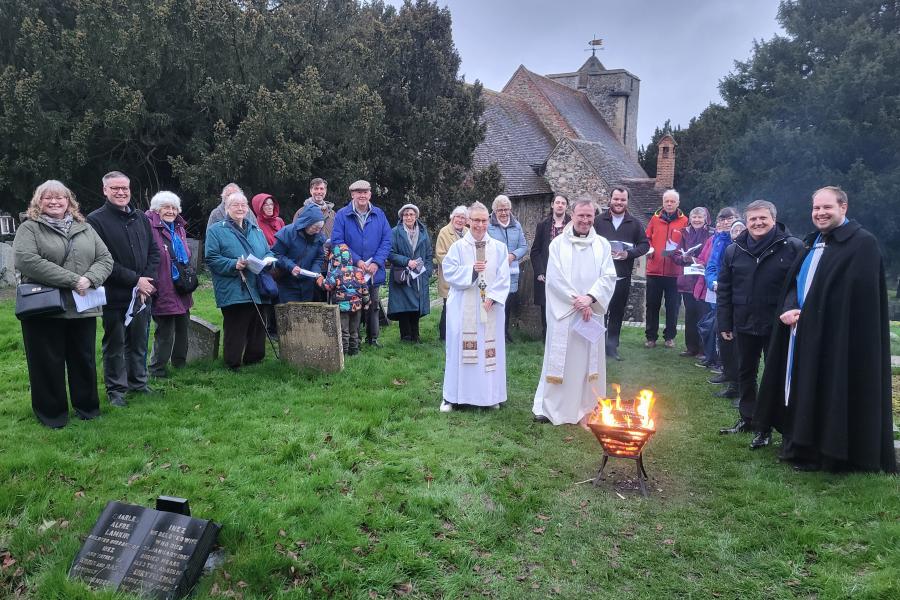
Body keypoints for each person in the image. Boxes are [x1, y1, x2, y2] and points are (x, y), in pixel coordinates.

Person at [756, 187, 896, 473]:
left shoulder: (861, 244)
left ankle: (827, 453)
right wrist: (790, 306)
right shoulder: (814, 241)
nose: (820, 213)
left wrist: (816, 319)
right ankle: (800, 445)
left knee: (829, 390)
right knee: (803, 387)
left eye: (827, 208)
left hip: (838, 340)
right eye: (816, 208)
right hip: (803, 334)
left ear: (843, 207)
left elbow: (855, 302)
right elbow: (795, 281)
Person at [13, 180, 113, 427]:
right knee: (47, 363)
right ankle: (52, 415)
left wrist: (90, 278)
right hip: (44, 309)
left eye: (60, 197)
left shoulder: (84, 228)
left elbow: (105, 258)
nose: (55, 202)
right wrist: (73, 280)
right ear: (39, 201)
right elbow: (27, 261)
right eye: (48, 198)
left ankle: (87, 409)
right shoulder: (30, 228)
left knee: (84, 360)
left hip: (82, 306)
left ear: (69, 201)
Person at [717, 200, 803, 448]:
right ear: (746, 221)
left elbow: (799, 286)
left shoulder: (792, 247)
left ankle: (767, 427)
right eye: (753, 219)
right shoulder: (734, 250)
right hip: (744, 322)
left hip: (778, 325)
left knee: (774, 376)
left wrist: (790, 311)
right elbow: (725, 289)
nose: (758, 223)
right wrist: (725, 322)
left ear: (773, 219)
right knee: (745, 372)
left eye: (763, 218)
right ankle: (748, 418)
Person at [532, 198, 617, 425]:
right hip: (566, 314)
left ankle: (588, 407)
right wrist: (578, 301)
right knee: (561, 360)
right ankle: (553, 408)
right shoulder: (558, 244)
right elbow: (555, 278)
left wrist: (590, 299)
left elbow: (608, 277)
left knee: (589, 362)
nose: (585, 220)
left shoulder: (602, 245)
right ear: (573, 214)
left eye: (589, 216)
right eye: (581, 215)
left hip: (591, 312)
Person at [87, 171, 160, 406]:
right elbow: (102, 261)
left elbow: (154, 253)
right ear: (105, 191)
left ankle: (138, 382)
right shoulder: (95, 221)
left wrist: (145, 282)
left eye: (124, 188)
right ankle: (116, 390)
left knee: (139, 341)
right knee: (115, 343)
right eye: (115, 188)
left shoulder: (140, 218)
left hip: (142, 294)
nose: (121, 192)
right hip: (115, 294)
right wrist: (134, 281)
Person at [441, 202, 511, 412]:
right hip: (463, 308)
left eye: (484, 220)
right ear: (469, 221)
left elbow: (503, 276)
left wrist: (494, 297)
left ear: (489, 221)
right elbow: (449, 272)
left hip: (490, 309)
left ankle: (490, 396)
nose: (480, 225)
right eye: (476, 220)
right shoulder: (458, 247)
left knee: (489, 350)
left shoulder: (499, 247)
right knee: (458, 350)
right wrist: (471, 271)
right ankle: (452, 396)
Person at [205, 192, 275, 370]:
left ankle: (254, 360)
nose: (240, 208)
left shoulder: (255, 229)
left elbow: (267, 251)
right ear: (227, 208)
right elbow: (211, 258)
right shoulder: (216, 230)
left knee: (257, 324)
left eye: (243, 205)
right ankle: (233, 362)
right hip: (233, 286)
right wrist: (233, 264)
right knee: (236, 326)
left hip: (257, 284)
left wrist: (268, 260)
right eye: (235, 205)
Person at [330, 179, 392, 348]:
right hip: (351, 271)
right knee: (353, 307)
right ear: (352, 195)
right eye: (358, 192)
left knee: (373, 305)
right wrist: (356, 260)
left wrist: (377, 263)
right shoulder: (342, 215)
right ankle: (353, 341)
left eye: (365, 192)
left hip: (373, 270)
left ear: (370, 194)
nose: (362, 195)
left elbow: (387, 240)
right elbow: (337, 241)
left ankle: (373, 339)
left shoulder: (379, 214)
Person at [593, 187, 650, 359]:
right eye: (616, 199)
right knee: (599, 312)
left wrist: (628, 254)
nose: (619, 203)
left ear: (627, 202)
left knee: (617, 313)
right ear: (610, 199)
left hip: (622, 277)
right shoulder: (598, 221)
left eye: (622, 200)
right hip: (600, 278)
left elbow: (644, 245)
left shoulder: (635, 223)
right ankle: (596, 346)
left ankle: (612, 347)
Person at [145, 191, 194, 378]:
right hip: (163, 286)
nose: (171, 211)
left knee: (183, 327)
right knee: (165, 332)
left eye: (174, 208)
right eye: (166, 207)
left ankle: (180, 364)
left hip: (181, 286)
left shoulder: (179, 227)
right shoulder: (149, 226)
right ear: (157, 209)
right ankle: (157, 369)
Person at [644, 189, 688, 348]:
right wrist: (648, 249)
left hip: (674, 272)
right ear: (663, 203)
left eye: (672, 201)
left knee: (673, 307)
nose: (669, 204)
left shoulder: (685, 221)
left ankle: (669, 337)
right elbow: (646, 238)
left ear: (678, 203)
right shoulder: (654, 219)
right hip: (654, 270)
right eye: (666, 201)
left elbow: (687, 244)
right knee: (652, 306)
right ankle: (651, 337)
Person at [672, 207, 714, 358]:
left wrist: (696, 259)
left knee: (703, 315)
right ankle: (691, 347)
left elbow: (712, 256)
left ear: (706, 219)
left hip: (702, 281)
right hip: (687, 281)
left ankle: (704, 350)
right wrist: (684, 257)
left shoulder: (712, 233)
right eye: (694, 217)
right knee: (690, 316)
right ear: (690, 219)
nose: (696, 220)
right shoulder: (684, 233)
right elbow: (676, 255)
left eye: (699, 217)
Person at [387, 204, 433, 342]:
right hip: (402, 273)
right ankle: (405, 336)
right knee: (403, 305)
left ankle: (416, 335)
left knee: (416, 306)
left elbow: (429, 254)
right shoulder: (394, 232)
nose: (409, 217)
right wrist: (407, 261)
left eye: (411, 214)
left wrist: (428, 270)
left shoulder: (424, 232)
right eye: (406, 214)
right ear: (402, 217)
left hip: (419, 275)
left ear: (416, 216)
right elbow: (390, 253)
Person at [318, 243, 371, 356]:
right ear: (350, 257)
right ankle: (355, 351)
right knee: (354, 331)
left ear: (335, 259)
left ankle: (344, 353)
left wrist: (320, 280)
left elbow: (327, 287)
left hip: (342, 308)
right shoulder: (358, 271)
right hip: (356, 307)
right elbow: (365, 289)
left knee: (343, 331)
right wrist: (366, 302)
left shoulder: (335, 273)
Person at [487, 195, 527, 342]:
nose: (503, 213)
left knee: (508, 303)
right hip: (494, 272)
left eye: (506, 209)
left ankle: (504, 332)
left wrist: (513, 255)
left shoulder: (516, 225)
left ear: (510, 209)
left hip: (512, 272)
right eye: (500, 210)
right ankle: (493, 332)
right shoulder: (489, 226)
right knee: (495, 302)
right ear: (494, 211)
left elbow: (523, 246)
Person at [531, 194, 571, 338]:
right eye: (557, 202)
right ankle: (547, 336)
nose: (560, 205)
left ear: (566, 206)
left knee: (565, 303)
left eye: (563, 203)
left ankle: (564, 335)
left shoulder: (572, 225)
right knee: (546, 305)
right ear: (552, 205)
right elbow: (535, 251)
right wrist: (539, 272)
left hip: (567, 273)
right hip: (547, 273)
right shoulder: (543, 225)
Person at [272, 204, 327, 303]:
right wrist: (291, 266)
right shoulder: (287, 232)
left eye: (320, 228)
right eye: (315, 227)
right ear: (307, 223)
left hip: (307, 284)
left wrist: (315, 273)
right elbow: (276, 254)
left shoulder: (318, 236)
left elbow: (319, 257)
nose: (317, 231)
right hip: (287, 282)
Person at [435, 206, 468, 341]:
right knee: (448, 306)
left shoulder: (468, 232)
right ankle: (444, 336)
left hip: (465, 276)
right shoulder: (444, 232)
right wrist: (455, 267)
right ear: (452, 217)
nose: (460, 220)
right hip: (449, 277)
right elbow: (440, 254)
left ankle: (459, 334)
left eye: (463, 218)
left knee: (462, 307)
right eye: (457, 217)